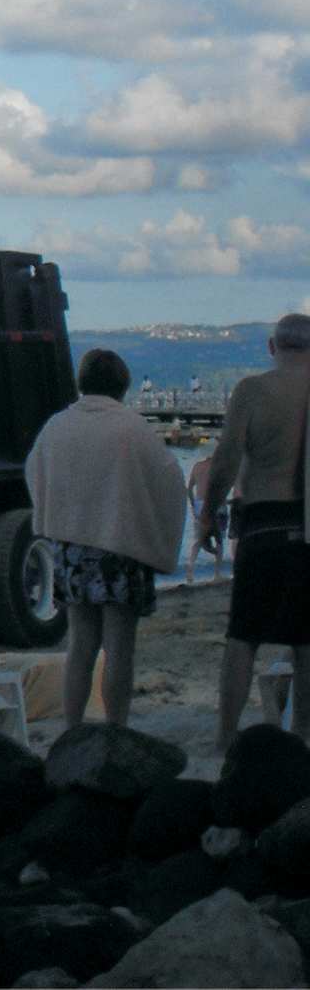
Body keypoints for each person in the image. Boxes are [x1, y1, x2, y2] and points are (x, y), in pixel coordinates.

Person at [26, 348, 188, 727]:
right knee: (119, 647)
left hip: (71, 547)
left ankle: (73, 727)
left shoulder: (57, 426)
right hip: (121, 547)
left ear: (82, 383)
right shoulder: (132, 428)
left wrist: (59, 517)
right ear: (123, 385)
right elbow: (169, 482)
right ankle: (116, 728)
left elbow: (35, 472)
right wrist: (157, 537)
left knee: (80, 644)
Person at [201, 312, 310, 752]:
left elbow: (226, 459)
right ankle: (302, 734)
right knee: (306, 640)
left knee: (243, 635)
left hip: (263, 522)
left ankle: (226, 737)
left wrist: (207, 513)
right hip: (307, 523)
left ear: (271, 347)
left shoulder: (253, 390)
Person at [186, 451, 229, 582]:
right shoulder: (219, 467)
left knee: (198, 541)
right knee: (219, 540)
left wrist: (193, 505)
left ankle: (190, 570)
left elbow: (189, 489)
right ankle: (217, 573)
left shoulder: (197, 466)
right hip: (217, 504)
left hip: (200, 505)